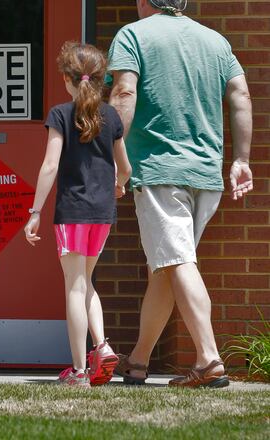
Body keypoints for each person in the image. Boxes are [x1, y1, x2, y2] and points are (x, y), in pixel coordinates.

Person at [107, 0, 253, 388]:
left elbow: (123, 92)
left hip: (159, 171)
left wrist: (109, 155)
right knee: (168, 268)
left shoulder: (133, 35)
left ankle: (208, 359)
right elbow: (240, 95)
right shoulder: (216, 41)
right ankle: (138, 361)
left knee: (177, 261)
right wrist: (241, 159)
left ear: (144, 2)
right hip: (206, 174)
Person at [24, 41, 131, 387]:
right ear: (101, 80)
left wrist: (34, 211)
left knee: (74, 286)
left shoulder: (60, 114)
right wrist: (119, 185)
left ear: (68, 80)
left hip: (72, 211)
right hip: (102, 212)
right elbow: (124, 167)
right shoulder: (111, 116)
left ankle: (79, 371)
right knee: (87, 281)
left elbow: (49, 165)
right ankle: (101, 346)